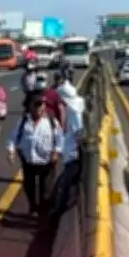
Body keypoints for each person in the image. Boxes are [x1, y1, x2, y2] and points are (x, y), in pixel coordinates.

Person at [6, 92, 63, 221]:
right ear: (30, 107)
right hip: (28, 162)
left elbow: (60, 140)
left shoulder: (51, 121)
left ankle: (43, 219)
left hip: (46, 163)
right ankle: (33, 205)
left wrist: (56, 152)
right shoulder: (23, 121)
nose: (40, 108)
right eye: (36, 105)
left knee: (46, 192)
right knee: (29, 188)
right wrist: (11, 151)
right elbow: (12, 138)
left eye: (42, 105)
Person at [54, 81, 85, 214]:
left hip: (74, 158)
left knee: (62, 186)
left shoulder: (75, 114)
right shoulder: (74, 110)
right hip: (71, 156)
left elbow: (79, 134)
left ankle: (57, 215)